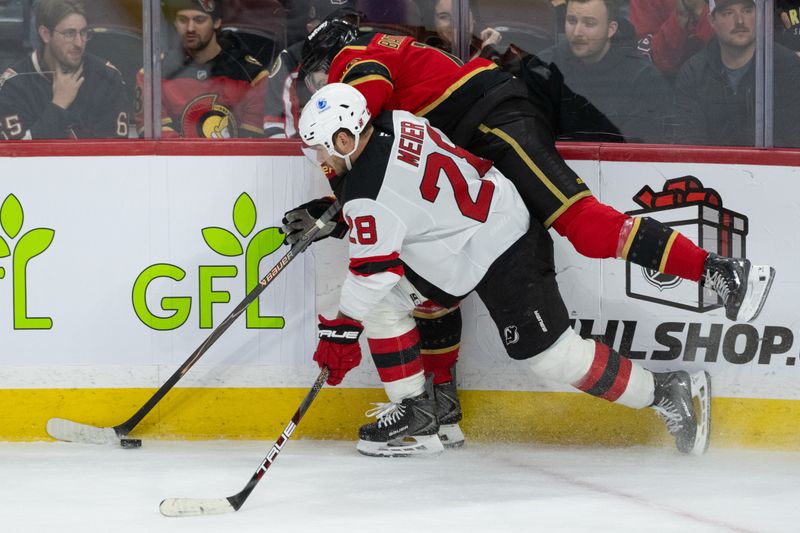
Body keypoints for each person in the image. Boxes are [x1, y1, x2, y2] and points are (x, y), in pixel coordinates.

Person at [286, 7, 775, 451]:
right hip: (475, 159)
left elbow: (358, 127)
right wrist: (337, 208)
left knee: (581, 223)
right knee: (419, 288)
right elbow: (381, 180)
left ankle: (718, 270)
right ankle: (433, 409)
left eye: (316, 79)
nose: (318, 89)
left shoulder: (353, 62)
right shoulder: (381, 79)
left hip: (490, 119)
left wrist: (337, 193)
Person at [300, 82, 716, 458]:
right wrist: (349, 214)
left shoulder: (368, 195)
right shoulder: (398, 120)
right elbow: (401, 198)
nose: (319, 159)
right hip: (476, 230)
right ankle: (418, 417)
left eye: (320, 148)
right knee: (387, 303)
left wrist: (341, 332)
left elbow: (374, 269)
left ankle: (665, 391)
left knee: (553, 357)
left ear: (345, 137)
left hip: (505, 247)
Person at [537, 0, 674, 143]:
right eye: (572, 21)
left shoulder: (643, 79)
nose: (577, 32)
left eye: (589, 24)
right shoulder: (544, 67)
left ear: (611, 29)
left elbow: (645, 153)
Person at [674, 0, 800, 147]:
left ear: (759, 15)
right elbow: (689, 148)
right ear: (711, 21)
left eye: (747, 11)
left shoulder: (788, 66)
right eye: (728, 13)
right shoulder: (693, 74)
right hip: (711, 168)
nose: (740, 20)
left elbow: (792, 143)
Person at [134, 0, 268, 138]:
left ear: (216, 22)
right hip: (177, 160)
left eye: (199, 20)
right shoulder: (152, 74)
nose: (190, 28)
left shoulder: (252, 75)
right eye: (183, 20)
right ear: (174, 22)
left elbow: (252, 146)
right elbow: (157, 141)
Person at [0, 0, 128, 140]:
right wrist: (58, 106)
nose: (79, 43)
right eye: (69, 34)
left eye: (84, 33)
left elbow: (116, 153)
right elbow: (16, 156)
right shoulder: (14, 85)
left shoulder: (108, 78)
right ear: (45, 34)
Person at [263, 0, 357, 138]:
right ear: (312, 28)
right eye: (336, 25)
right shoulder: (291, 61)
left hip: (351, 152)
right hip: (302, 155)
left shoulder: (367, 58)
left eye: (351, 22)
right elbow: (275, 125)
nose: (347, 30)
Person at [629, 0, 713, 79]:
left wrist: (701, 11)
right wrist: (679, 19)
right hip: (666, 80)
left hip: (718, 72)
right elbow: (651, 61)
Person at [424, 0, 502, 60]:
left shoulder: (494, 47)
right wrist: (487, 53)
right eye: (444, 17)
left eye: (461, 15)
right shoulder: (425, 56)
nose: (454, 23)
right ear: (434, 22)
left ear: (473, 18)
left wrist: (489, 49)